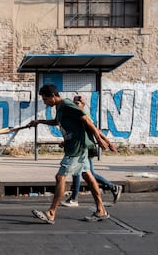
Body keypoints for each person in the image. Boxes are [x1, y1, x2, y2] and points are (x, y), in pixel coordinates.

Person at [29, 84, 113, 224]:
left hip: (76, 148)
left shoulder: (67, 104)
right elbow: (57, 122)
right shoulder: (59, 107)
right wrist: (39, 121)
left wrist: (100, 139)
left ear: (53, 96)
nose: (45, 102)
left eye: (45, 99)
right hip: (74, 146)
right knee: (87, 176)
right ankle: (101, 210)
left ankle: (51, 212)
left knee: (60, 177)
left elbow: (86, 119)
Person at [61, 95, 122, 207]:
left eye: (78, 103)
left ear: (83, 105)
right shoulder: (75, 115)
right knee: (87, 173)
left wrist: (108, 143)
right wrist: (66, 142)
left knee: (78, 173)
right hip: (80, 147)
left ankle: (74, 198)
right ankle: (113, 187)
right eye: (74, 102)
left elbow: (97, 131)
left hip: (86, 148)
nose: (75, 104)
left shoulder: (85, 116)